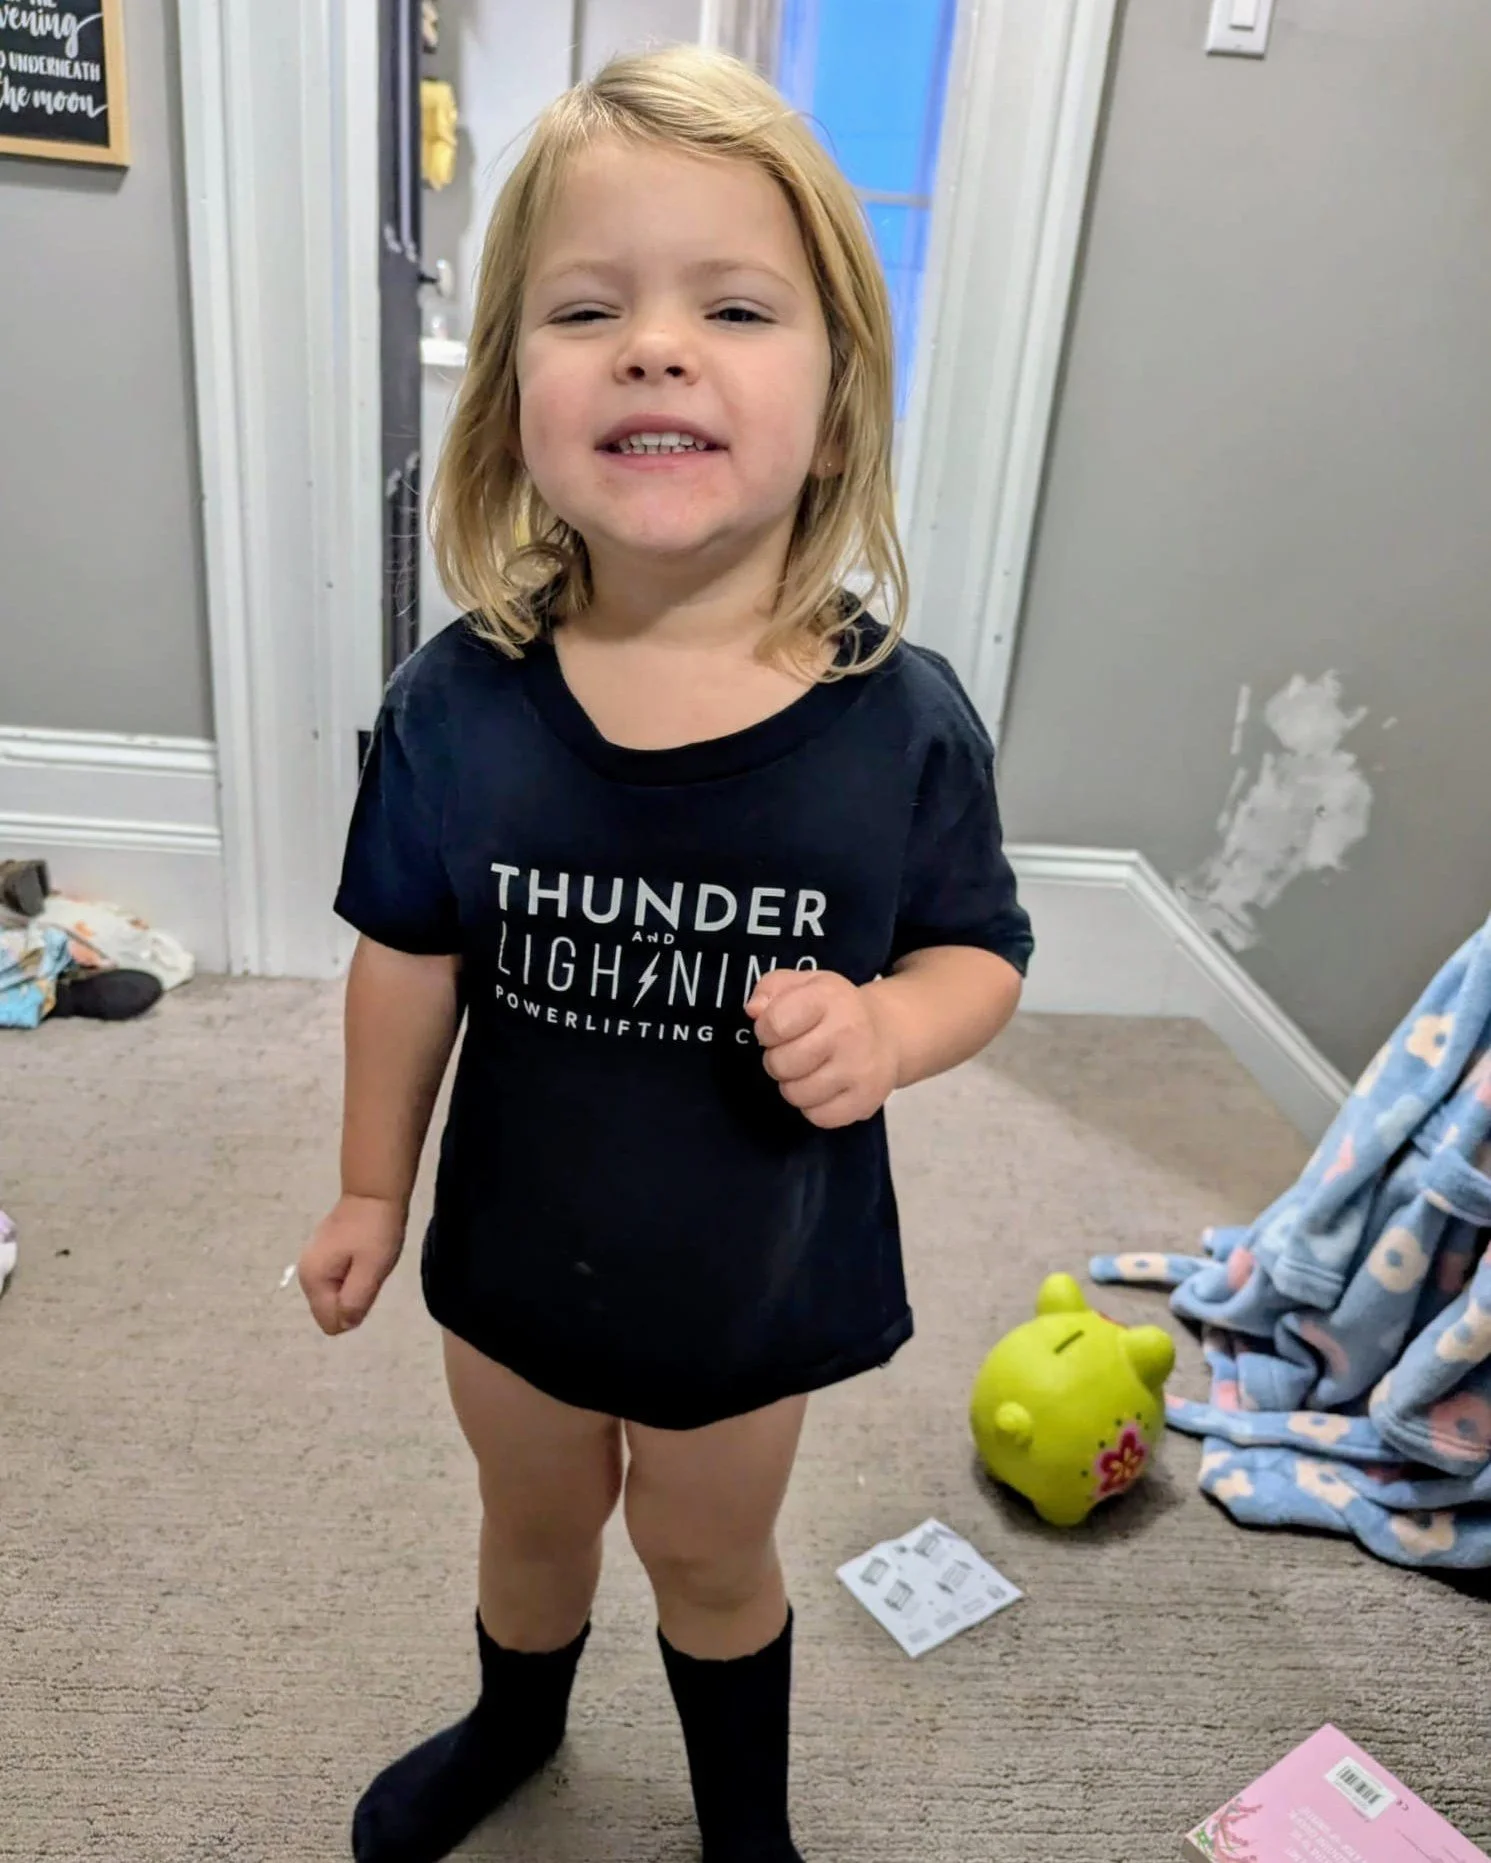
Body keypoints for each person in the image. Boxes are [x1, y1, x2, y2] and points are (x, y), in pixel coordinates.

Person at [297, 43, 1033, 1863]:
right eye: (584, 306)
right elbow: (404, 955)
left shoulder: (899, 723)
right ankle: (513, 1720)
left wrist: (889, 1026)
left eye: (733, 304)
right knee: (531, 1523)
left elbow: (981, 952)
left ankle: (744, 1829)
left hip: (744, 1275)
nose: (655, 344)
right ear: (513, 399)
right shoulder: (456, 703)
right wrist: (369, 1189)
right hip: (517, 1254)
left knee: (707, 1552)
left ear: (836, 405)